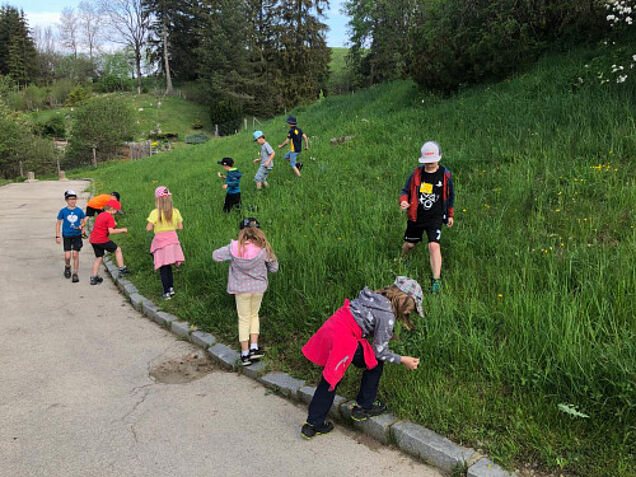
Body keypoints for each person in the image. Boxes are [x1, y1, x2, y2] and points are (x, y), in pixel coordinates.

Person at [300, 276, 423, 440]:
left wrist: (385, 334)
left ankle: (315, 423)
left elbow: (366, 319)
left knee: (334, 375)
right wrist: (403, 360)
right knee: (368, 364)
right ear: (403, 300)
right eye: (411, 308)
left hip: (333, 326)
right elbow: (380, 352)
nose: (409, 312)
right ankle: (361, 408)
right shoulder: (387, 315)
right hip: (343, 340)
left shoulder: (374, 297)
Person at [212, 218, 278, 366]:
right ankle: (254, 347)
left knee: (243, 318)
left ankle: (244, 354)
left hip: (241, 289)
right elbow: (274, 268)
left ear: (242, 232)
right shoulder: (264, 248)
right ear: (258, 232)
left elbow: (215, 256)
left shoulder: (234, 247)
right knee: (254, 315)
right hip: (258, 288)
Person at [400, 141, 454, 293]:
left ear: (439, 158)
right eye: (427, 162)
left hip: (435, 218)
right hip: (417, 216)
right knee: (409, 245)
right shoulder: (416, 174)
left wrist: (450, 214)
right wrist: (404, 201)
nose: (429, 164)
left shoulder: (445, 175)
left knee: (433, 245)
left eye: (432, 161)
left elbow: (450, 196)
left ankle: (436, 280)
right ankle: (403, 259)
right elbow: (405, 191)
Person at [146, 186, 185, 300]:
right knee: (169, 266)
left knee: (164, 267)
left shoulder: (155, 213)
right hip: (173, 241)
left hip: (161, 242)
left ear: (157, 199)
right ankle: (171, 288)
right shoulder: (175, 211)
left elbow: (148, 228)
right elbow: (180, 227)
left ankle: (166, 292)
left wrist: (155, 224)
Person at [88, 199, 129, 285]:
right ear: (112, 209)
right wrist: (122, 230)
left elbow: (107, 224)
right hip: (102, 239)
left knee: (99, 257)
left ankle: (94, 278)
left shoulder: (101, 215)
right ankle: (122, 269)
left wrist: (113, 222)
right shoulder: (109, 217)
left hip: (93, 240)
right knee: (117, 249)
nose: (116, 213)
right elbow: (111, 231)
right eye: (116, 211)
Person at [55, 189, 87, 283]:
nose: (72, 201)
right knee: (68, 256)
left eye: (74, 198)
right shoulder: (63, 211)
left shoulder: (79, 211)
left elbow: (83, 222)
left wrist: (82, 229)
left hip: (77, 235)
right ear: (66, 200)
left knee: (75, 254)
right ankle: (67, 266)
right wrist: (57, 236)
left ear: (76, 199)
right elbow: (58, 223)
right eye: (70, 199)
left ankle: (75, 273)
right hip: (67, 236)